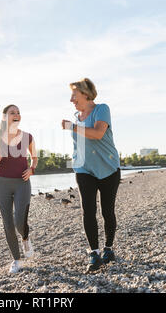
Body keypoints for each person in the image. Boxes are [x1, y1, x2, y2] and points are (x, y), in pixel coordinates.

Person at [61, 78, 121, 272]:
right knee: (88, 211)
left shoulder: (102, 109)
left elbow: (97, 134)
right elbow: (79, 144)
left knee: (107, 211)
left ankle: (108, 249)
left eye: (74, 95)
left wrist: (72, 127)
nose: (71, 99)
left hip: (108, 168)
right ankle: (94, 254)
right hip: (84, 169)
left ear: (86, 95)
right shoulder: (76, 116)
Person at [0, 104, 38, 273]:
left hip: (22, 182)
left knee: (19, 221)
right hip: (3, 184)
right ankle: (16, 260)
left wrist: (31, 169)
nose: (16, 115)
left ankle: (25, 237)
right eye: (12, 112)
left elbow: (34, 157)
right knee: (7, 224)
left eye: (18, 112)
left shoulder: (28, 137)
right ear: (4, 117)